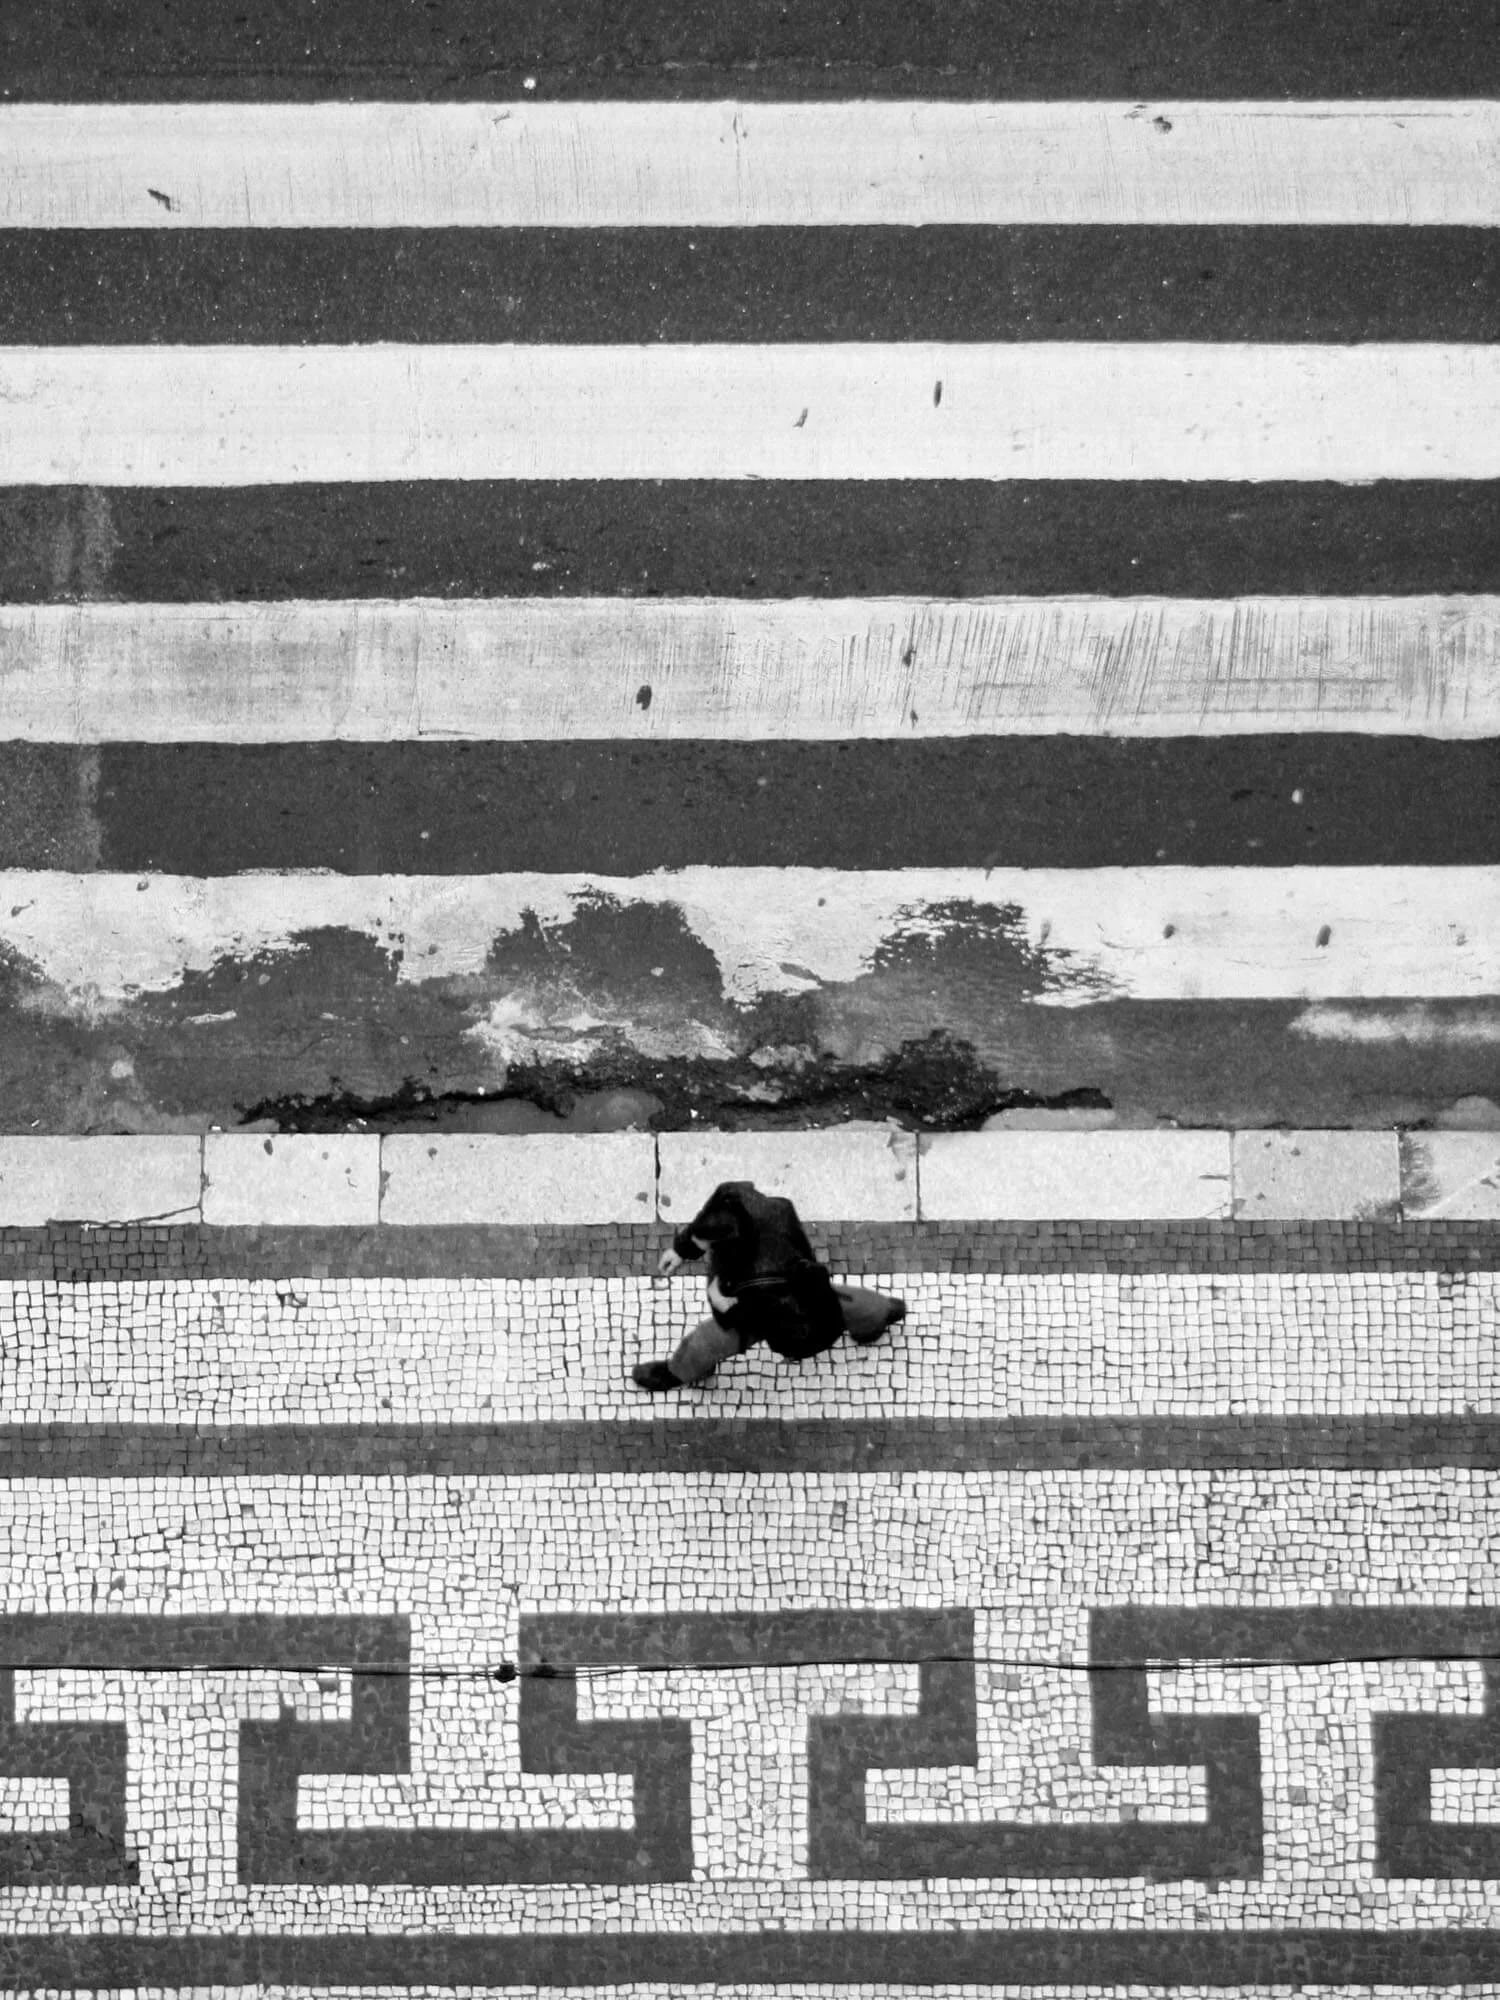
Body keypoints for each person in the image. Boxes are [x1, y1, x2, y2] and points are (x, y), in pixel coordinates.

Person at [632, 1178, 907, 1391]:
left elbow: (758, 1317)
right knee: (856, 1303)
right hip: (805, 1287)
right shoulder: (769, 1209)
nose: (701, 1247)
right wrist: (684, 1248)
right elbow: (711, 1221)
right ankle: (878, 1316)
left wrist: (723, 1306)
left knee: (705, 1342)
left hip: (789, 1318)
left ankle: (678, 1372)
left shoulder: (760, 1280)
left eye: (704, 1243)